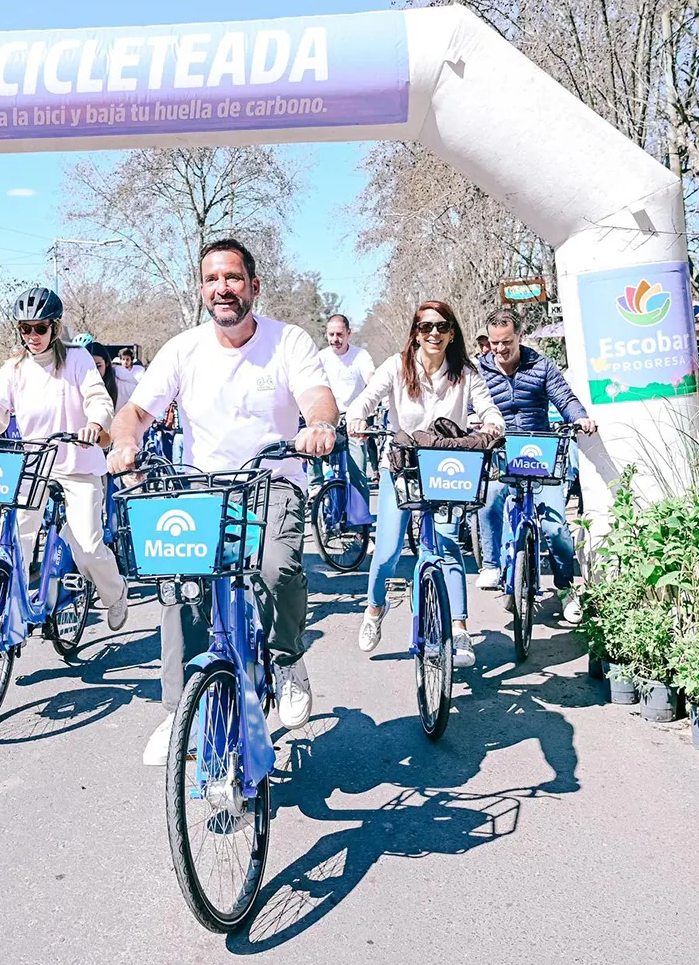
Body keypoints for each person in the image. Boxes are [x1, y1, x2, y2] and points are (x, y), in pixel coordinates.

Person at [108, 237, 338, 764]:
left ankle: (285, 657)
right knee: (182, 590)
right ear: (202, 289)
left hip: (270, 482)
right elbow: (138, 413)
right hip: (203, 490)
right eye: (212, 279)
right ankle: (180, 707)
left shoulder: (289, 342)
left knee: (278, 569)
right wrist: (125, 442)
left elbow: (315, 396)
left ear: (253, 285)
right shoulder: (183, 349)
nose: (223, 288)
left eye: (233, 278)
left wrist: (320, 424)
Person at [0, 287, 129, 630]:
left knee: (88, 546)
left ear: (54, 327)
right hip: (33, 466)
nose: (32, 336)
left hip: (78, 465)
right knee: (13, 543)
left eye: (40, 327)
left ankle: (115, 595)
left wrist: (94, 424)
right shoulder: (14, 368)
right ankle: (11, 619)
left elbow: (98, 398)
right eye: (25, 328)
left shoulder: (77, 358)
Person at [348, 301, 505, 667]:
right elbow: (366, 400)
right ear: (415, 333)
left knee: (447, 547)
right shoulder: (396, 366)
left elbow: (488, 408)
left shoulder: (466, 373)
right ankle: (375, 608)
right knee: (387, 552)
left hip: (448, 469)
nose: (433, 333)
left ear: (452, 333)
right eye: (425, 327)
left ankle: (460, 629)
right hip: (401, 468)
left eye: (441, 327)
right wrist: (356, 418)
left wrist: (494, 424)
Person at [475, 308, 596, 622]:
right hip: (501, 452)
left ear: (520, 336)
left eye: (507, 342)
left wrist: (579, 417)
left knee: (556, 529)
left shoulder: (540, 366)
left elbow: (563, 397)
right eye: (494, 342)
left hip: (539, 453)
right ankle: (491, 565)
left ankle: (566, 588)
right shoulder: (478, 370)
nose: (500, 349)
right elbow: (464, 402)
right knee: (487, 503)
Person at [314, 313, 375, 499]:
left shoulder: (360, 356)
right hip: (328, 416)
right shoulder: (320, 357)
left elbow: (372, 379)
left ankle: (360, 519)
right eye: (331, 335)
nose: (335, 339)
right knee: (312, 445)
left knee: (357, 470)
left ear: (349, 333)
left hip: (353, 418)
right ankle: (315, 488)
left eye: (340, 334)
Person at [87, 340, 137, 413]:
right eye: (89, 367)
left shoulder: (123, 384)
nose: (94, 372)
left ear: (106, 363)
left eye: (98, 366)